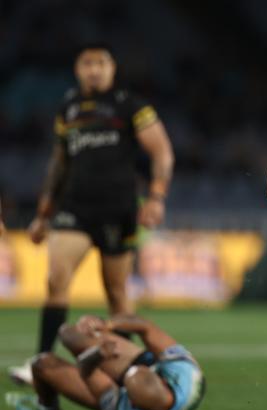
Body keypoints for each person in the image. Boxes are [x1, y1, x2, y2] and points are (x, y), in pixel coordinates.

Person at [9, 42, 174, 385]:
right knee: (56, 279)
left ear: (112, 68)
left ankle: (127, 371)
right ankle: (42, 364)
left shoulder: (130, 105)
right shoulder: (68, 107)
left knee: (116, 294)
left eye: (101, 63)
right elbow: (59, 162)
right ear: (77, 69)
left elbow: (162, 152)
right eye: (87, 63)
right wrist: (43, 212)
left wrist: (156, 198)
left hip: (118, 209)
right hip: (74, 209)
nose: (94, 69)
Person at [6, 314, 205, 410]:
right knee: (69, 334)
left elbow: (87, 372)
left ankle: (46, 407)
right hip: (155, 382)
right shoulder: (183, 370)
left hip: (115, 395)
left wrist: (98, 355)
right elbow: (146, 326)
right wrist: (106, 324)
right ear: (161, 378)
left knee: (42, 365)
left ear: (134, 402)